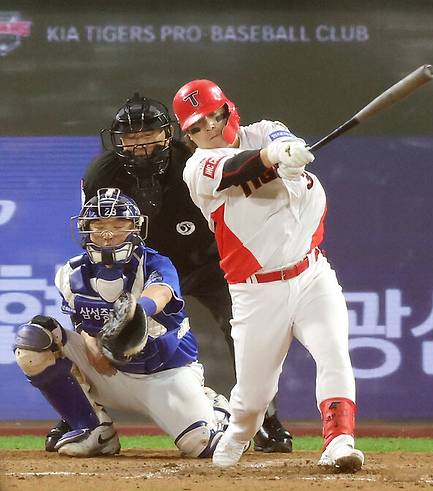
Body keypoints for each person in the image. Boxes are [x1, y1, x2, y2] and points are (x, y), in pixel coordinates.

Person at [44, 93, 292, 454]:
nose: (139, 144)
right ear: (116, 140)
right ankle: (80, 415)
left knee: (244, 332)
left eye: (148, 134)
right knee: (98, 324)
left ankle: (264, 420)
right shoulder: (102, 173)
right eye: (130, 137)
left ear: (168, 134)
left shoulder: (196, 161)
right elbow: (92, 230)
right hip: (139, 268)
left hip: (210, 263)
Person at [171, 79, 365, 472]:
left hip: (312, 273)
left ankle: (339, 441)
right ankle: (239, 432)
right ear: (188, 135)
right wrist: (273, 156)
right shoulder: (197, 168)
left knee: (333, 352)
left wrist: (288, 151)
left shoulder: (264, 130)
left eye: (213, 115)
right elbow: (235, 168)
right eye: (196, 125)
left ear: (228, 108)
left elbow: (279, 137)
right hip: (257, 291)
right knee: (254, 399)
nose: (208, 127)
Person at [13, 188, 230, 457]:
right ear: (86, 229)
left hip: (163, 373)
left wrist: (137, 311)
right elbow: (81, 321)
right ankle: (94, 429)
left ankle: (215, 410)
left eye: (119, 224)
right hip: (107, 371)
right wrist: (92, 347)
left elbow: (161, 292)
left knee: (203, 447)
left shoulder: (155, 263)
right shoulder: (70, 273)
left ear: (135, 228)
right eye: (99, 225)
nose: (108, 232)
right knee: (33, 340)